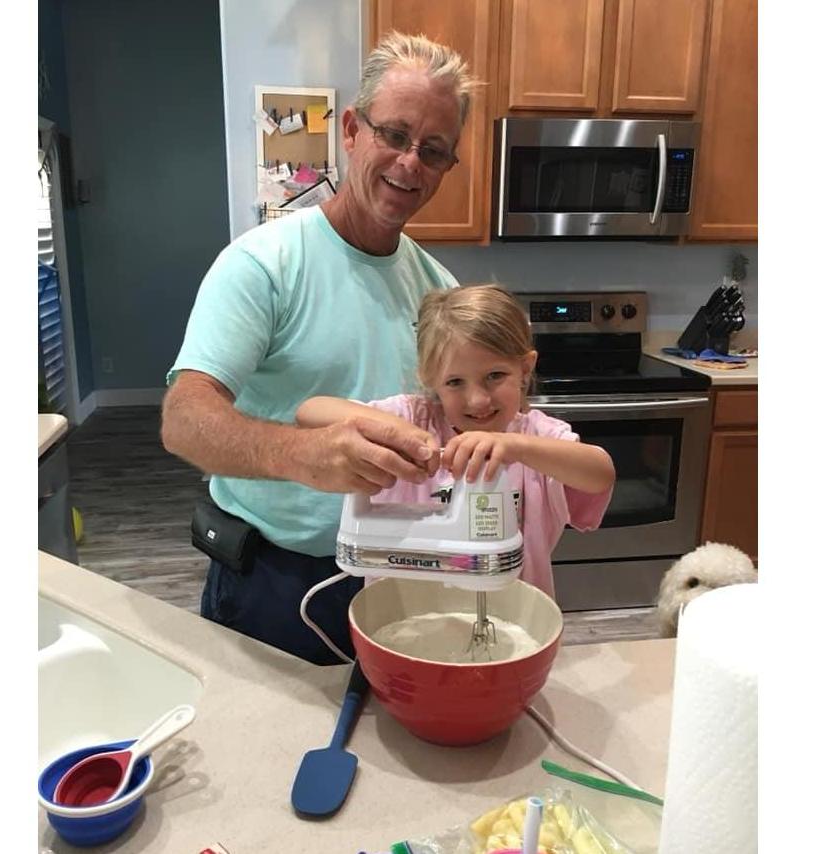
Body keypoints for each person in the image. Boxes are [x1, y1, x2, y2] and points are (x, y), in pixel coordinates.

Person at [161, 32, 479, 664]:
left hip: (403, 577)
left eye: (434, 150)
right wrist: (302, 454)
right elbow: (184, 420)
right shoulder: (263, 264)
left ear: (447, 166)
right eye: (395, 135)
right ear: (353, 131)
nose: (410, 163)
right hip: (272, 582)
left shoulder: (440, 291)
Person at [296, 285, 616, 600]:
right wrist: (394, 431)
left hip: (513, 618)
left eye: (494, 376)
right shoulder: (413, 418)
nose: (477, 400)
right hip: (404, 618)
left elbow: (600, 473)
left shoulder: (536, 437)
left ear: (525, 368)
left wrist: (515, 446)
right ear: (432, 381)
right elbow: (310, 412)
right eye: (455, 382)